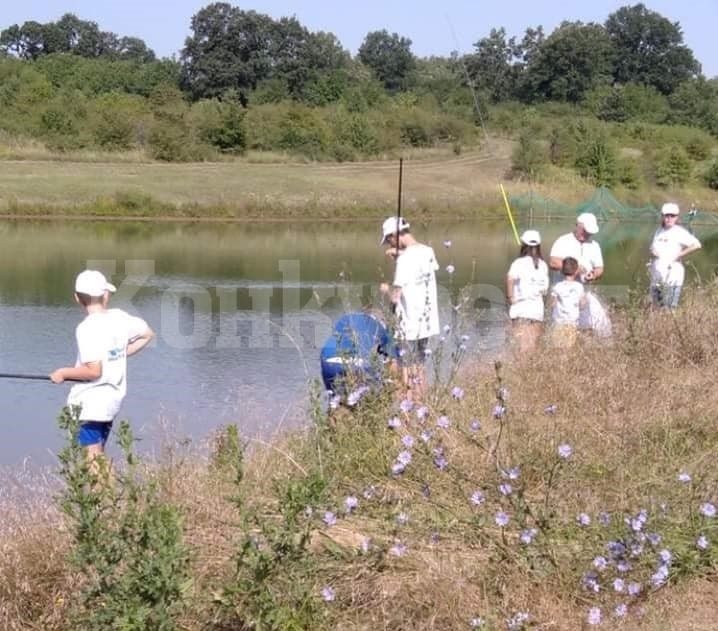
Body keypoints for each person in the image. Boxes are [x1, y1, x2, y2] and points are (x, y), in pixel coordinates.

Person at [50, 270, 154, 461]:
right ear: (106, 295)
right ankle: (106, 491)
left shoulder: (86, 328)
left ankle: (106, 492)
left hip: (89, 405)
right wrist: (121, 354)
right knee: (98, 456)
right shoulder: (120, 317)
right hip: (110, 403)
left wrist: (63, 373)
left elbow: (93, 371)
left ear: (77, 298)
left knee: (92, 460)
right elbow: (148, 334)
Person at [378, 216, 440, 402]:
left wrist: (385, 288)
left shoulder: (404, 261)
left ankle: (407, 413)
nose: (389, 243)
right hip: (427, 322)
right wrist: (400, 255)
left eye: (389, 239)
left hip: (408, 324)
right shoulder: (428, 251)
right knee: (420, 366)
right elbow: (421, 268)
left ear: (395, 235)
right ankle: (423, 406)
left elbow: (396, 296)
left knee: (405, 369)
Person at [320, 310, 399, 410]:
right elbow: (393, 362)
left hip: (328, 359)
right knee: (366, 400)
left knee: (335, 402)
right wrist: (390, 390)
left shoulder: (346, 317)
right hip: (357, 362)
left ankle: (333, 421)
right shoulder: (381, 328)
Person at [549, 212, 611, 337]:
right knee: (564, 330)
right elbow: (553, 262)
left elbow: (600, 268)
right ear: (578, 226)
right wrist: (575, 270)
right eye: (584, 231)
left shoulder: (594, 246)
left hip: (584, 293)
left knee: (602, 326)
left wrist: (593, 275)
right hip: (563, 294)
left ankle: (589, 350)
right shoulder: (563, 241)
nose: (586, 234)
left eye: (589, 233)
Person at [649, 202, 702, 309]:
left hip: (673, 277)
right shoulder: (659, 231)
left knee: (669, 309)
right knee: (656, 309)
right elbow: (652, 246)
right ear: (662, 216)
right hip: (657, 277)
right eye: (666, 215)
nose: (669, 218)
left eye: (672, 216)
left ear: (677, 217)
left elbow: (696, 244)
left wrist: (680, 254)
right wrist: (652, 250)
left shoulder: (679, 232)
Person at [505, 229, 549, 354]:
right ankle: (529, 372)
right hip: (537, 311)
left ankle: (520, 372)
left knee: (520, 349)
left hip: (521, 310)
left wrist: (511, 298)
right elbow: (544, 290)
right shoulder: (543, 265)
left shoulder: (518, 263)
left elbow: (510, 279)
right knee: (532, 349)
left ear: (523, 245)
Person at [550, 257, 587, 349]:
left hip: (558, 322)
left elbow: (552, 304)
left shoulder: (557, 286)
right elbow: (582, 305)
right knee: (569, 349)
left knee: (558, 348)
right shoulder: (579, 287)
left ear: (562, 271)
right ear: (576, 271)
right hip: (572, 323)